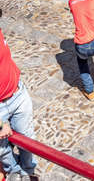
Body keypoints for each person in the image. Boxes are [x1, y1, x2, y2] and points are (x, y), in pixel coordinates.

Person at [0, 10, 36, 181]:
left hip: (18, 94)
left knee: (27, 138)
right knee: (1, 148)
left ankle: (28, 171)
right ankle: (14, 171)